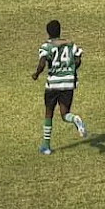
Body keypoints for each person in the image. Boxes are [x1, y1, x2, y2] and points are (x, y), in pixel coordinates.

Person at [32, 20, 87, 155]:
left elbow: (42, 63)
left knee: (49, 112)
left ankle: (46, 146)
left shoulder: (47, 46)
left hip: (53, 84)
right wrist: (71, 69)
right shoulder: (70, 44)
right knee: (65, 114)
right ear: (59, 31)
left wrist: (36, 74)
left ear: (48, 32)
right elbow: (78, 59)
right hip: (68, 83)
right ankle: (75, 119)